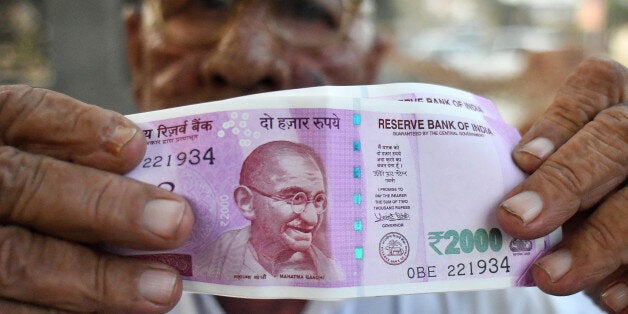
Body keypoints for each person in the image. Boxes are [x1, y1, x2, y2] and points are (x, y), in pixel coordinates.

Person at [0, 0, 624, 313]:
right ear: (138, 52)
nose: (244, 59)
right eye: (201, 5)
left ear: (371, 63)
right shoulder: (31, 252)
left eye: (307, 12)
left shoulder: (511, 281)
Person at [195, 140, 343, 281]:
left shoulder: (333, 273)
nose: (312, 218)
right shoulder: (210, 261)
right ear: (246, 202)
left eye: (318, 200)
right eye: (294, 198)